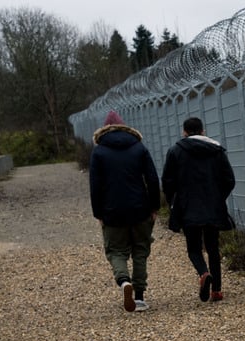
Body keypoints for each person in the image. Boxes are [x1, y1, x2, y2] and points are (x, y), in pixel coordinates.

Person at [89, 109, 161, 312]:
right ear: (125, 128)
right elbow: (153, 179)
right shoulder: (139, 148)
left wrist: (98, 213)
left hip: (112, 210)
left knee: (116, 251)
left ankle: (123, 282)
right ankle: (139, 296)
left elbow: (95, 185)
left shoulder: (99, 151)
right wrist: (154, 206)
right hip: (140, 208)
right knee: (140, 251)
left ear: (104, 130)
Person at [161, 117, 236, 302]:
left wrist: (174, 202)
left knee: (194, 248)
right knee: (213, 247)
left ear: (184, 132)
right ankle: (217, 290)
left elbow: (167, 181)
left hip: (187, 206)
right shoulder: (216, 150)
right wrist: (218, 198)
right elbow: (229, 180)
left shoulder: (175, 151)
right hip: (212, 206)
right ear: (203, 131)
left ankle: (203, 273)